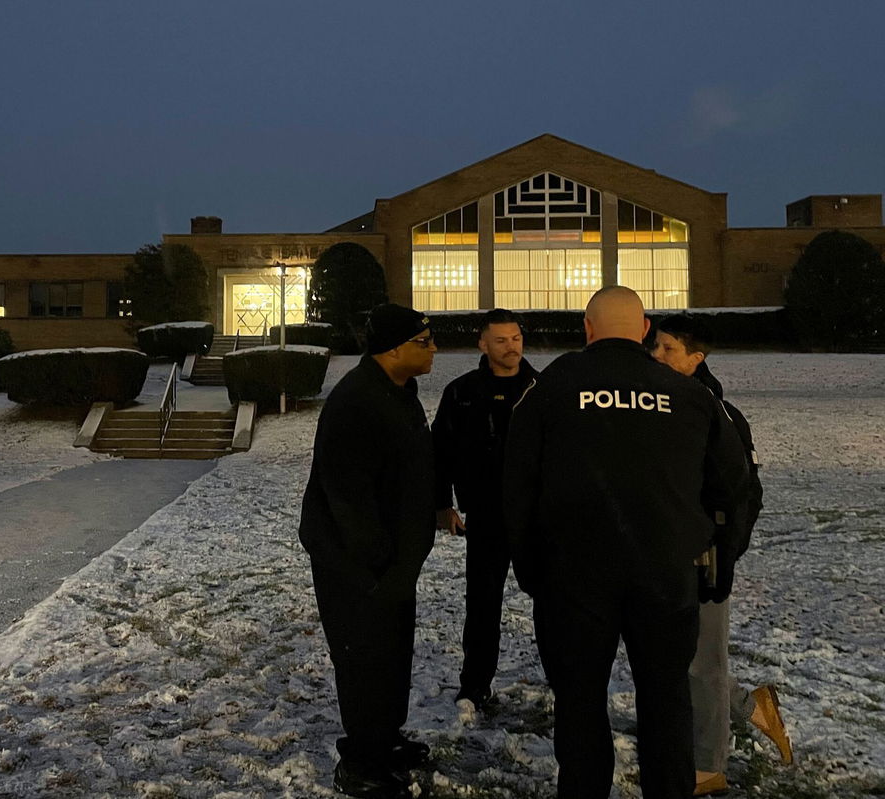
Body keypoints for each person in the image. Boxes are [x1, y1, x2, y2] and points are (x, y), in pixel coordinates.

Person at [504, 286, 748, 799]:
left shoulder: (548, 389)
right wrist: (719, 560)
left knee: (579, 703)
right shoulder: (689, 394)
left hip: (574, 577)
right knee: (666, 703)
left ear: (587, 329)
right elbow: (737, 485)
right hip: (664, 575)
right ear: (643, 331)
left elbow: (515, 489)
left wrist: (530, 569)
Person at [298, 303, 438, 799]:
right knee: (364, 659)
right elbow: (347, 497)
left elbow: (415, 468)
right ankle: (360, 760)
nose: (433, 348)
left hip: (394, 562)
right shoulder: (356, 403)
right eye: (424, 341)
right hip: (358, 566)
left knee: (393, 654)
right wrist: (381, 567)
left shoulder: (400, 393)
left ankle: (384, 738)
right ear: (392, 349)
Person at [651, 314, 792, 797]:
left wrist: (721, 555)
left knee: (702, 662)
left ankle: (708, 767)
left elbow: (743, 494)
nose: (658, 357)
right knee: (671, 658)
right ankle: (750, 706)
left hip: (703, 558)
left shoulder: (718, 413)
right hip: (656, 557)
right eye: (655, 347)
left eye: (669, 349)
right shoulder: (654, 405)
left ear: (697, 358)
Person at [431, 309, 538, 712]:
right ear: (483, 344)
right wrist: (442, 505)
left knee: (552, 606)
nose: (511, 347)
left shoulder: (541, 390)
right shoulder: (461, 392)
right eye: (501, 341)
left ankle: (566, 681)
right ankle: (474, 685)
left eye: (516, 339)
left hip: (535, 519)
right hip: (486, 517)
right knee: (482, 606)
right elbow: (440, 452)